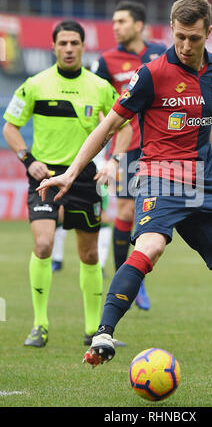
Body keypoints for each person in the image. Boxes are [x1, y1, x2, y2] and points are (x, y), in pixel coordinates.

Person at [37, 0, 212, 399]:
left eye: (194, 38)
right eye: (179, 37)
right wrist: (73, 172)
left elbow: (202, 126)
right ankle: (104, 334)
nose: (185, 46)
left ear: (208, 32)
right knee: (151, 246)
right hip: (159, 177)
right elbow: (109, 125)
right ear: (171, 32)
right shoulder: (151, 74)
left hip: (203, 184)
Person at [2, 20, 130, 348]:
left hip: (85, 178)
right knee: (43, 245)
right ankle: (40, 325)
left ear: (84, 46)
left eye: (74, 43)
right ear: (54, 46)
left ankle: (94, 329)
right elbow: (10, 127)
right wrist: (29, 160)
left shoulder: (99, 87)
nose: (69, 49)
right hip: (45, 179)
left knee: (88, 255)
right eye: (63, 43)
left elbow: (126, 126)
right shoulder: (35, 84)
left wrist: (114, 161)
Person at [92, 0, 166, 310]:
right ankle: (130, 281)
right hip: (127, 146)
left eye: (121, 21)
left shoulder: (162, 52)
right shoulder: (106, 60)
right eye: (113, 22)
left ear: (138, 25)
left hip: (161, 146)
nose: (115, 27)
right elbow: (96, 99)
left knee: (150, 216)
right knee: (124, 212)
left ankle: (135, 276)